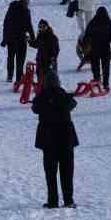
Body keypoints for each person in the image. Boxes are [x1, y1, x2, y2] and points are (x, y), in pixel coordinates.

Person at [32, 71, 79, 208]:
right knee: (67, 171)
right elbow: (72, 104)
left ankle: (53, 201)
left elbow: (35, 108)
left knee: (50, 173)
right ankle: (69, 200)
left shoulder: (42, 96)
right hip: (66, 139)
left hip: (48, 139)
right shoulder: (63, 95)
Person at [2, 0, 35, 82]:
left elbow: (6, 24)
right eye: (27, 0)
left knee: (11, 57)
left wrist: (5, 39)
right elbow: (29, 25)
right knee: (20, 59)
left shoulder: (11, 8)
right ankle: (18, 78)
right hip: (20, 38)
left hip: (11, 38)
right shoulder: (25, 10)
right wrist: (33, 37)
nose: (28, 2)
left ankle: (10, 76)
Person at [83, 6, 111, 90]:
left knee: (95, 65)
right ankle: (106, 83)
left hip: (94, 48)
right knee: (106, 67)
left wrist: (85, 46)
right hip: (105, 48)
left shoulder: (92, 23)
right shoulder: (109, 24)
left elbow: (86, 36)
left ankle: (97, 79)